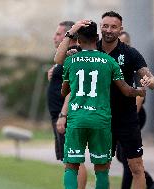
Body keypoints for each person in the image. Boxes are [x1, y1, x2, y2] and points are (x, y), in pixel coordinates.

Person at [54, 11, 154, 189]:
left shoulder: (130, 53)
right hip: (102, 118)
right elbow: (60, 62)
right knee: (102, 168)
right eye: (105, 26)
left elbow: (152, 80)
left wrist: (150, 81)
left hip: (125, 118)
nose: (109, 30)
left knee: (136, 168)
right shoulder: (88, 50)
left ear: (121, 29)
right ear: (100, 28)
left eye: (113, 27)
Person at [116, 31, 154, 189]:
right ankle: (149, 182)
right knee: (122, 156)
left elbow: (141, 94)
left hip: (133, 115)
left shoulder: (133, 64)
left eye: (124, 42)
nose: (120, 46)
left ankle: (143, 183)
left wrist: (130, 120)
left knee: (129, 157)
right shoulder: (114, 62)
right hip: (120, 116)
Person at [46, 21, 87, 188]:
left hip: (67, 114)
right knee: (68, 159)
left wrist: (64, 114)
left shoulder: (73, 54)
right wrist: (54, 72)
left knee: (74, 159)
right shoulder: (64, 56)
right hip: (58, 114)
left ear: (69, 35)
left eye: (58, 34)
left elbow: (74, 87)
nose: (54, 37)